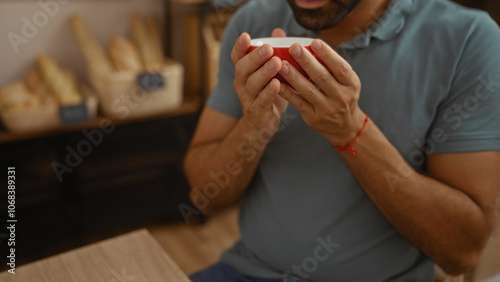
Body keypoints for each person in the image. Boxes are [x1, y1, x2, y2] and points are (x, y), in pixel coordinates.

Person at [183, 0, 500, 281]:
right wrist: (255, 126)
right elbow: (203, 194)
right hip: (246, 272)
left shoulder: (468, 39)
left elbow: (462, 250)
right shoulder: (252, 25)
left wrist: (350, 131)